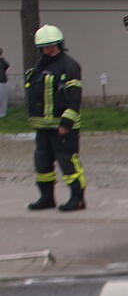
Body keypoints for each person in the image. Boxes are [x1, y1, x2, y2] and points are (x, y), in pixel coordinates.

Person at [24, 25, 86, 212]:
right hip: (43, 127)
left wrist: (66, 123)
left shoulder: (69, 65)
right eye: (45, 47)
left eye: (52, 46)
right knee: (42, 163)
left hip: (63, 127)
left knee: (67, 162)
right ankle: (46, 198)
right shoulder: (39, 67)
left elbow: (75, 97)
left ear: (59, 45)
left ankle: (77, 199)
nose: (49, 49)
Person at [0, 47, 9, 118]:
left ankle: (2, 114)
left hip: (2, 81)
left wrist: (1, 58)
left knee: (2, 98)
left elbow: (7, 65)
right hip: (2, 81)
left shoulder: (2, 61)